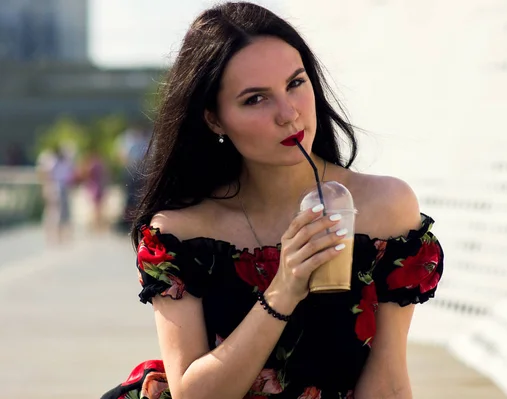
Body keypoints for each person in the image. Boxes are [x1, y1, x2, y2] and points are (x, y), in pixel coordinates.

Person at [102, 2, 444, 399]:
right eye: (255, 99)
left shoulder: (385, 208)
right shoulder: (180, 231)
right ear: (214, 119)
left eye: (295, 83)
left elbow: (387, 380)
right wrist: (285, 286)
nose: (288, 113)